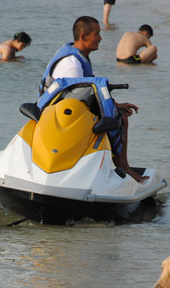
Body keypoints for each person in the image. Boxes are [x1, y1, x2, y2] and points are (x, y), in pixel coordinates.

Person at [40, 16, 148, 183]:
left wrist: (116, 104)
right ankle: (122, 167)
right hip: (62, 119)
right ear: (83, 36)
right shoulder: (72, 66)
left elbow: (85, 94)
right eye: (97, 34)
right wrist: (112, 111)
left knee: (119, 111)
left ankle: (116, 166)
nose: (100, 38)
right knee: (119, 118)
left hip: (63, 113)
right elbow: (74, 103)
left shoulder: (77, 55)